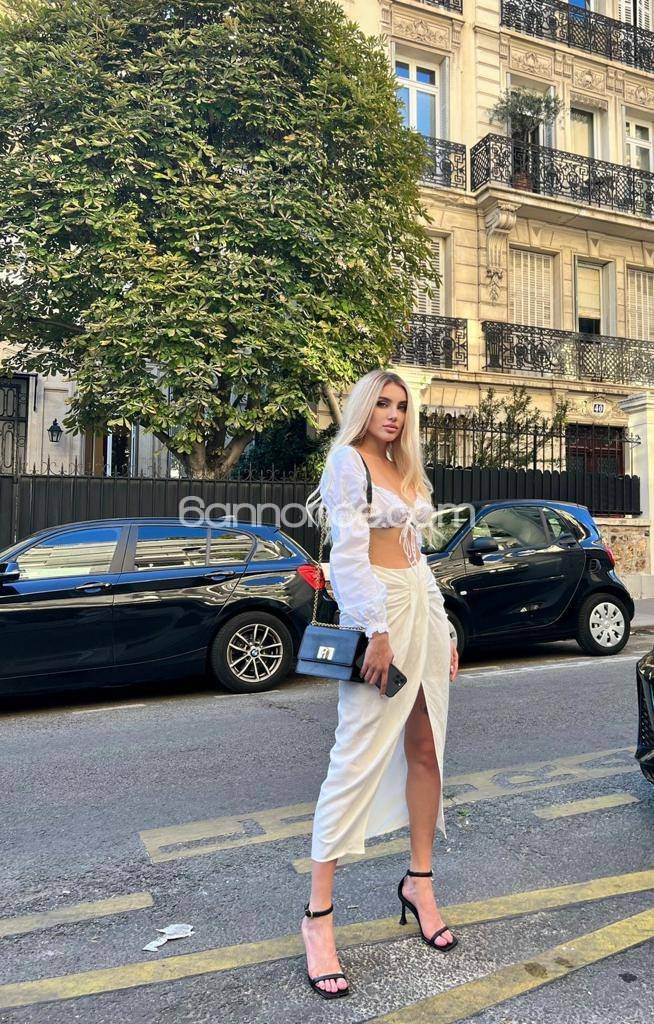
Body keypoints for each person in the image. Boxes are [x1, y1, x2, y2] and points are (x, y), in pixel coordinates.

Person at [301, 369, 458, 1000]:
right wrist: (376, 630)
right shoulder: (348, 462)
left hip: (420, 607)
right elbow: (347, 555)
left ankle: (420, 882)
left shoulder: (402, 467)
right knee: (356, 757)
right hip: (382, 612)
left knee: (427, 748)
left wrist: (444, 627)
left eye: (401, 406)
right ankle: (317, 918)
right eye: (383, 404)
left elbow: (420, 559)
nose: (393, 414)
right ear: (364, 408)